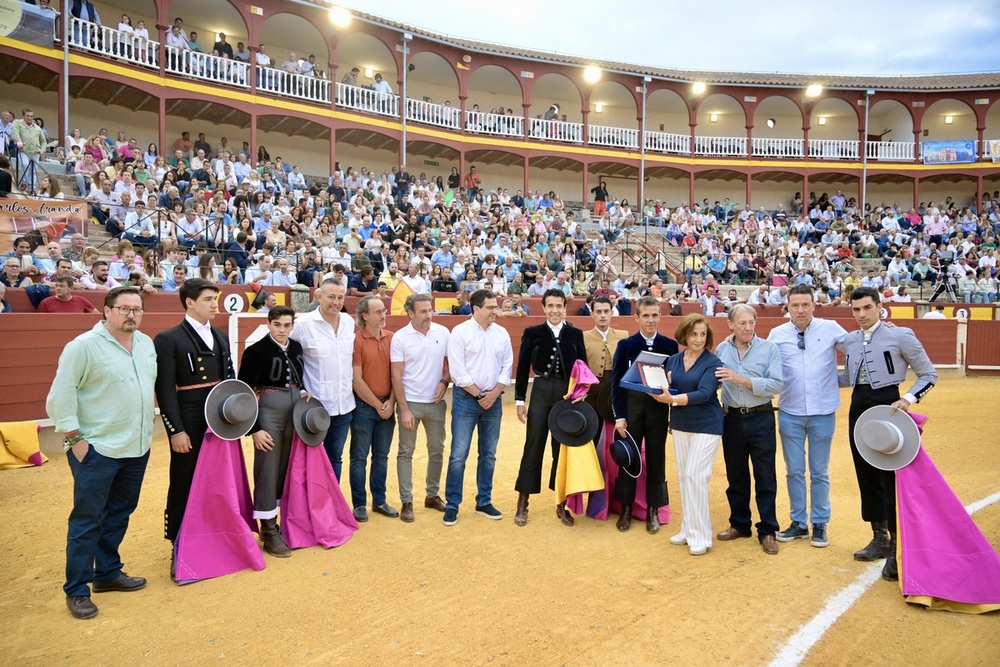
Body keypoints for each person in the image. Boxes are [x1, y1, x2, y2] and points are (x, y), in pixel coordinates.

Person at [46, 287, 156, 620]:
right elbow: (59, 397)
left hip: (136, 446)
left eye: (137, 310)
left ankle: (106, 572)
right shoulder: (83, 347)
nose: (131, 315)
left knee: (120, 510)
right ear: (106, 310)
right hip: (96, 448)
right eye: (124, 308)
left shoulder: (146, 345)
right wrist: (75, 439)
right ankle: (77, 589)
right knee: (87, 518)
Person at [840, 287, 937, 581]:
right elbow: (847, 378)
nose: (861, 315)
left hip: (889, 406)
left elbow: (929, 374)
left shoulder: (901, 335)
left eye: (867, 308)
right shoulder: (850, 340)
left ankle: (896, 546)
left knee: (891, 478)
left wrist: (908, 399)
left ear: (879, 307)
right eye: (856, 310)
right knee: (865, 473)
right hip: (858, 406)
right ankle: (879, 537)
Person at [153, 279, 234, 561]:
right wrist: (176, 431)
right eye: (209, 299)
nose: (215, 304)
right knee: (184, 481)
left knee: (218, 480)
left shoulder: (221, 336)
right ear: (190, 302)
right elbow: (164, 389)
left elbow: (230, 379)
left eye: (215, 298)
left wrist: (234, 418)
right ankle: (179, 544)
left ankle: (214, 535)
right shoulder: (168, 339)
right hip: (188, 419)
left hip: (219, 422)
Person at [767, 284, 848, 548]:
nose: (800, 310)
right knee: (794, 471)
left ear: (814, 305)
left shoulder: (831, 328)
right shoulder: (777, 334)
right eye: (795, 305)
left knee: (819, 471)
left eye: (805, 305)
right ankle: (799, 523)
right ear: (787, 307)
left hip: (823, 412)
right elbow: (761, 361)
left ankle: (820, 523)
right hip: (790, 411)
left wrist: (843, 379)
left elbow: (857, 348)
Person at [513, 288, 589, 527]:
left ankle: (561, 504)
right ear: (544, 308)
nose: (555, 310)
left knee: (562, 449)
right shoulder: (533, 332)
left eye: (559, 306)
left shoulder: (575, 333)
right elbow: (523, 367)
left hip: (565, 396)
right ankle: (523, 503)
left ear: (565, 309)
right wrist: (519, 400)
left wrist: (581, 393)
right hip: (541, 393)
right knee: (533, 445)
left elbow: (582, 367)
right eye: (551, 306)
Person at [713, 304, 784, 555]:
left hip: (761, 417)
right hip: (731, 418)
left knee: (765, 475)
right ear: (731, 325)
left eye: (751, 322)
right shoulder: (722, 349)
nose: (747, 327)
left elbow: (776, 384)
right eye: (742, 323)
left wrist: (740, 378)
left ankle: (767, 530)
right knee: (736, 475)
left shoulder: (769, 349)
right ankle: (740, 524)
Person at [650, 314, 723, 555]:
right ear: (684, 334)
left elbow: (704, 393)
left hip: (707, 424)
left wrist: (672, 398)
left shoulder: (713, 362)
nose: (698, 339)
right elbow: (668, 388)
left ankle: (701, 535)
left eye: (703, 334)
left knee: (695, 475)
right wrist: (663, 390)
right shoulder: (673, 360)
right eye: (694, 334)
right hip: (681, 423)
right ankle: (688, 528)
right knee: (684, 476)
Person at [237, 306, 307, 558]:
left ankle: (278, 523)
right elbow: (244, 392)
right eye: (277, 325)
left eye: (287, 325)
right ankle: (268, 531)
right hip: (268, 413)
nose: (282, 330)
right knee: (267, 468)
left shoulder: (296, 347)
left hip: (294, 413)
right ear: (269, 324)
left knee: (286, 468)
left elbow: (299, 378)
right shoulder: (256, 351)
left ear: (292, 326)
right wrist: (254, 428)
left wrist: (302, 392)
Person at [442, 290, 512, 526]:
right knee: (458, 455)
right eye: (491, 307)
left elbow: (507, 366)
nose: (495, 310)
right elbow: (458, 371)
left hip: (494, 400)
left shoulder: (501, 333)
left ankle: (484, 501)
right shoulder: (460, 332)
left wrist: (494, 394)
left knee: (489, 455)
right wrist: (482, 395)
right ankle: (452, 505)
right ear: (476, 309)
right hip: (466, 399)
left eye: (496, 306)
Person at [610, 295, 679, 533]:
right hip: (632, 411)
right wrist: (620, 416)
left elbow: (674, 382)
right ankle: (626, 508)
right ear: (637, 318)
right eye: (646, 316)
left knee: (657, 460)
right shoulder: (626, 345)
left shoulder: (669, 347)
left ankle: (653, 510)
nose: (651, 320)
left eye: (655, 315)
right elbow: (617, 384)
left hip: (659, 411)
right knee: (629, 460)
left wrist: (674, 414)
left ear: (660, 316)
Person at [390, 293, 451, 522]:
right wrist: (404, 409)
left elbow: (452, 363)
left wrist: (444, 382)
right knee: (406, 451)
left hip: (436, 403)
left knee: (437, 450)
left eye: (430, 310)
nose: (429, 315)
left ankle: (432, 495)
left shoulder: (443, 332)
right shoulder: (400, 337)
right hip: (411, 403)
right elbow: (396, 376)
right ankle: (407, 500)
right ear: (411, 313)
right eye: (423, 311)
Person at [289, 279, 355, 480]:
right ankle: (311, 505)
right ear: (319, 297)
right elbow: (290, 360)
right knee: (312, 457)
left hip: (344, 405)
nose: (336, 302)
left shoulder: (348, 322)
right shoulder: (302, 325)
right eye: (331, 297)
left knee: (335, 457)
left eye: (340, 297)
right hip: (315, 405)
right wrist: (299, 390)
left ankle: (331, 505)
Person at [348, 295, 398, 521]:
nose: (383, 315)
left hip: (387, 403)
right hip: (364, 407)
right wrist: (380, 405)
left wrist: (392, 401)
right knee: (359, 457)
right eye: (378, 312)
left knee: (382, 456)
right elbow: (356, 381)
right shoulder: (356, 341)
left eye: (383, 311)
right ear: (365, 315)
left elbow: (398, 375)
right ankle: (359, 504)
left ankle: (379, 500)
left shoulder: (392, 338)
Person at [582, 296, 628, 445]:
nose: (602, 315)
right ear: (592, 314)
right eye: (598, 311)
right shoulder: (583, 337)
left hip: (615, 391)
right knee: (591, 433)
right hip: (591, 392)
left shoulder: (623, 336)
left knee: (618, 434)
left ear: (612, 312)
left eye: (606, 311)